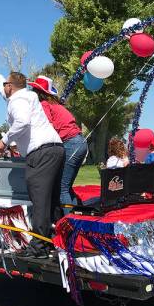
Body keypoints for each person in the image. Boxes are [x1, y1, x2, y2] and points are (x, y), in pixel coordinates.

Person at [0, 56, 63, 259]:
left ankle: (39, 248)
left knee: (39, 201)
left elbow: (22, 122)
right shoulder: (25, 96)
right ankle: (58, 240)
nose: (3, 87)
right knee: (52, 200)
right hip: (56, 149)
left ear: (11, 86)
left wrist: (3, 141)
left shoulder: (17, 101)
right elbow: (2, 88)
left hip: (41, 153)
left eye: (5, 84)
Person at [25, 74, 88, 209]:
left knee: (62, 188)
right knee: (66, 186)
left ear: (38, 92)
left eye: (35, 90)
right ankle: (76, 217)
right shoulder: (56, 105)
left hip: (70, 143)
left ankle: (68, 225)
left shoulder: (44, 105)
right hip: (78, 142)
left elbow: (47, 127)